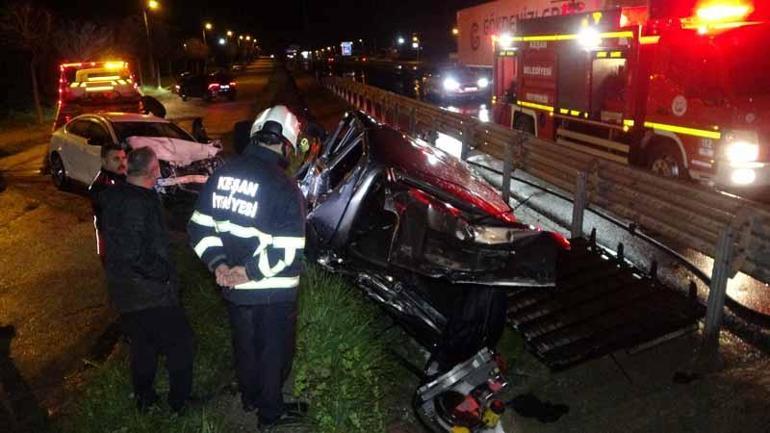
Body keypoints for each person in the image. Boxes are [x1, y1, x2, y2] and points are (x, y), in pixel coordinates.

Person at [188, 105, 307, 430]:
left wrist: (219, 264)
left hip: (233, 288)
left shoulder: (223, 174)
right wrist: (249, 272)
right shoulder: (284, 186)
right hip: (272, 290)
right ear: (286, 145)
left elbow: (199, 227)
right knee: (273, 352)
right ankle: (270, 413)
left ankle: (250, 397)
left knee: (245, 345)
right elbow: (287, 250)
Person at [99, 147, 195, 413]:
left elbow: (155, 235)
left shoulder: (120, 196)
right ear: (153, 170)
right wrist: (163, 274)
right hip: (148, 293)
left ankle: (145, 401)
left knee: (144, 347)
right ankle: (180, 402)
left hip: (127, 292)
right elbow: (134, 253)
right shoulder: (137, 203)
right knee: (181, 343)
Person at [88, 146, 127, 262]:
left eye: (123, 158)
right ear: (104, 161)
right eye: (116, 159)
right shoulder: (101, 187)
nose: (121, 162)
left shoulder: (124, 178)